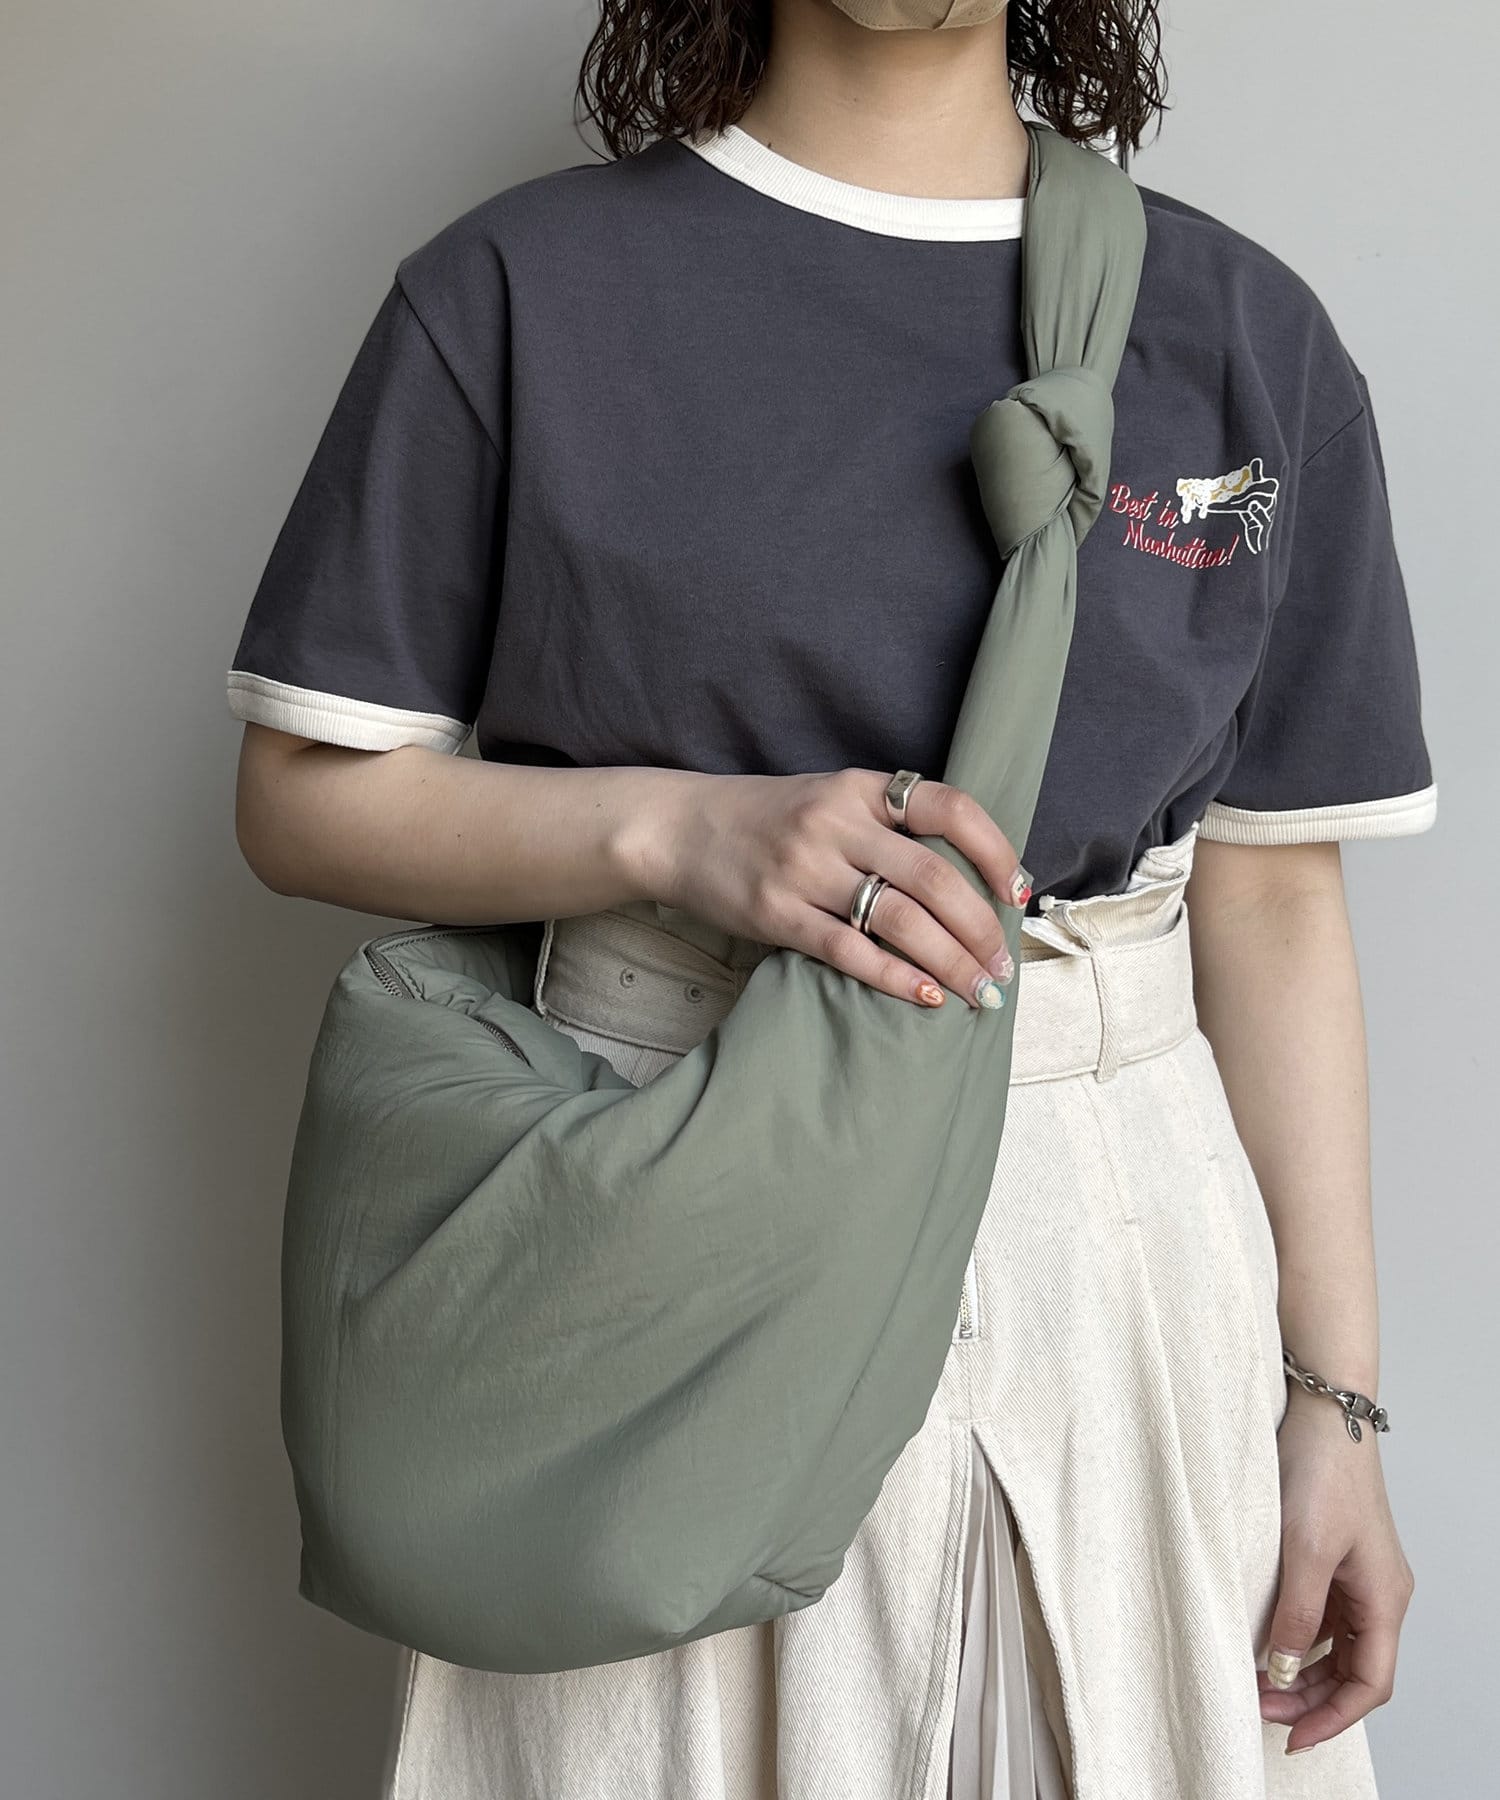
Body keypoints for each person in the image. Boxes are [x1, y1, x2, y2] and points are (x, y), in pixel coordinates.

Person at [226, 2, 1431, 1795]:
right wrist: (678, 835)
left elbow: (1268, 905)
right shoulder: (522, 291)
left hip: (1120, 1252)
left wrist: (1333, 1406)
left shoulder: (1246, 332)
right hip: (665, 1202)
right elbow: (302, 798)